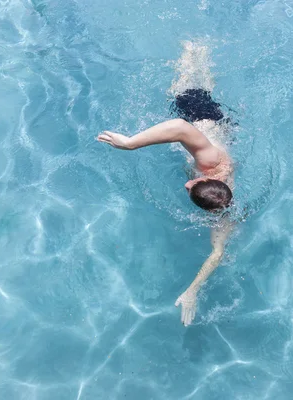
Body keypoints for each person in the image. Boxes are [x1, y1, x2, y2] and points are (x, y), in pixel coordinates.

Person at [97, 42, 234, 326]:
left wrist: (192, 290)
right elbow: (181, 128)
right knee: (184, 86)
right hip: (202, 118)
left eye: (190, 190)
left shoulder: (221, 206)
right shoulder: (210, 161)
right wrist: (130, 144)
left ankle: (200, 55)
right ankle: (194, 48)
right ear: (207, 177)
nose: (186, 185)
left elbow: (218, 252)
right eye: (192, 183)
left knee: (203, 86)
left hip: (218, 130)